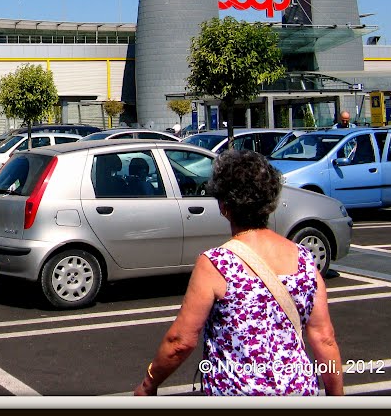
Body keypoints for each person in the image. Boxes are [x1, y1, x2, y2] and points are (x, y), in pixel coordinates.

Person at [134, 149, 344, 396]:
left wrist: (149, 384)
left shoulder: (216, 264)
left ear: (224, 206)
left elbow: (180, 342)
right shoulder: (304, 259)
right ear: (271, 202)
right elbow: (324, 338)